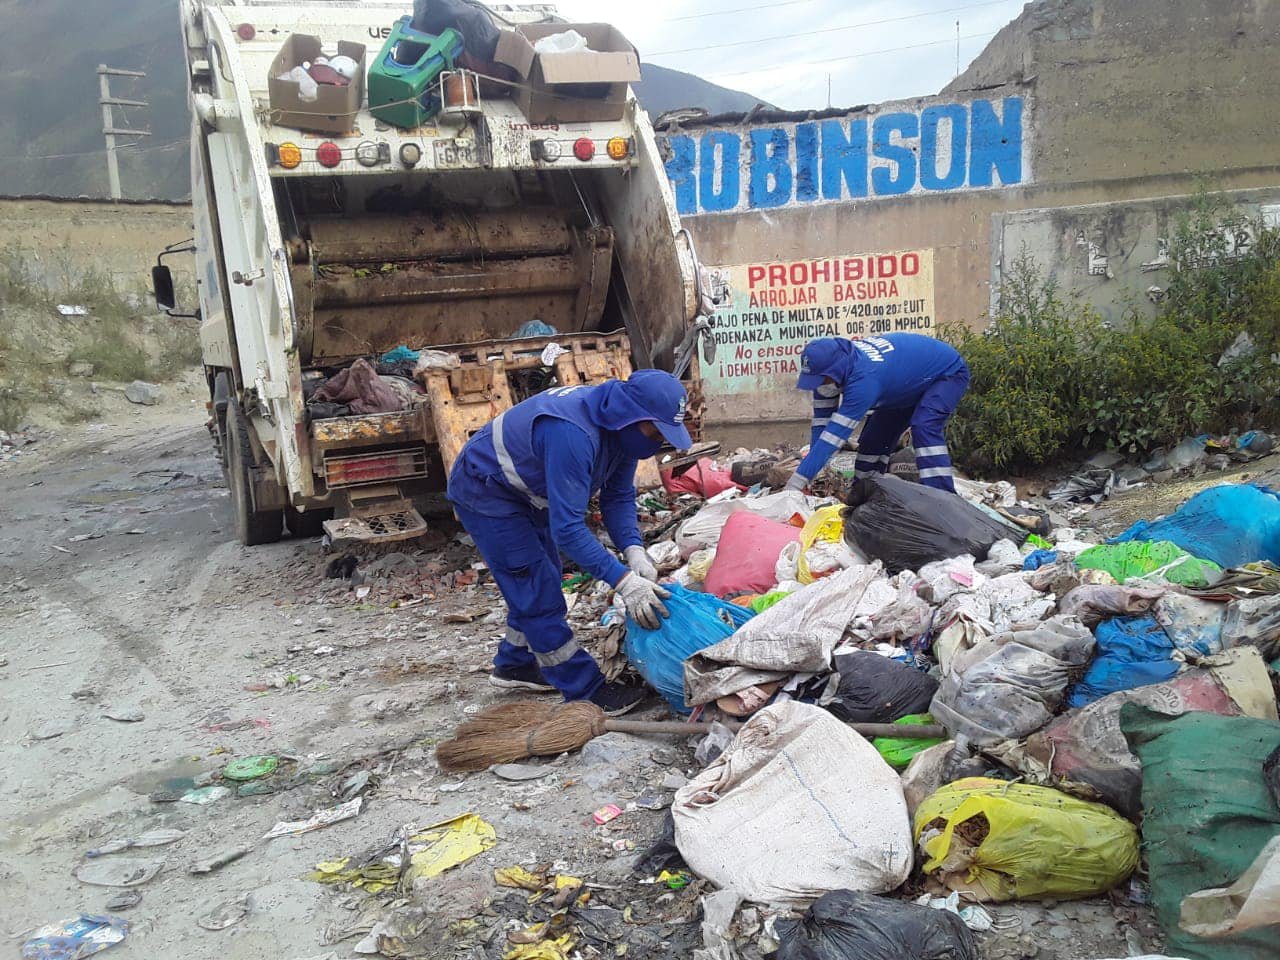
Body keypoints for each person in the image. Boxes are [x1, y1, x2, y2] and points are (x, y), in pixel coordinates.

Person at [447, 370, 691, 716]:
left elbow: (618, 496)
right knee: (535, 583)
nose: (657, 442)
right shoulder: (572, 433)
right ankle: (584, 688)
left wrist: (634, 550)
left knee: (540, 573)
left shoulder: (622, 431)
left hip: (527, 493)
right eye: (656, 431)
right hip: (486, 490)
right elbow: (569, 530)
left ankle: (514, 665)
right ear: (634, 416)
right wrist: (624, 582)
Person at [785, 333, 969, 494]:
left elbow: (833, 438)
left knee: (924, 425)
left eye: (822, 379)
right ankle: (866, 494)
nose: (819, 384)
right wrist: (809, 475)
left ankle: (941, 497)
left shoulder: (863, 382)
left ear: (836, 370)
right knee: (873, 440)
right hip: (899, 387)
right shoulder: (825, 377)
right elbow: (821, 427)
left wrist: (794, 485)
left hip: (946, 373)